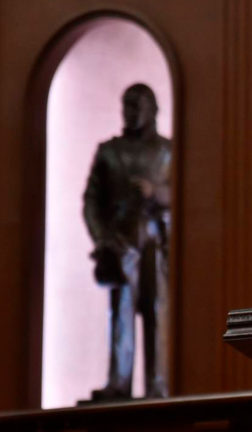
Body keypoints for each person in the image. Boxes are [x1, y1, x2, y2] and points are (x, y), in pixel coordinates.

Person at [83, 83, 171, 400]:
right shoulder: (109, 152)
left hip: (155, 241)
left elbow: (185, 192)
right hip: (120, 241)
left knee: (157, 309)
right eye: (126, 106)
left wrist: (155, 192)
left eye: (137, 106)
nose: (130, 113)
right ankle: (118, 381)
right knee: (120, 311)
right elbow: (91, 201)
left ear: (153, 110)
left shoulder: (168, 151)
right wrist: (102, 239)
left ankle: (158, 383)